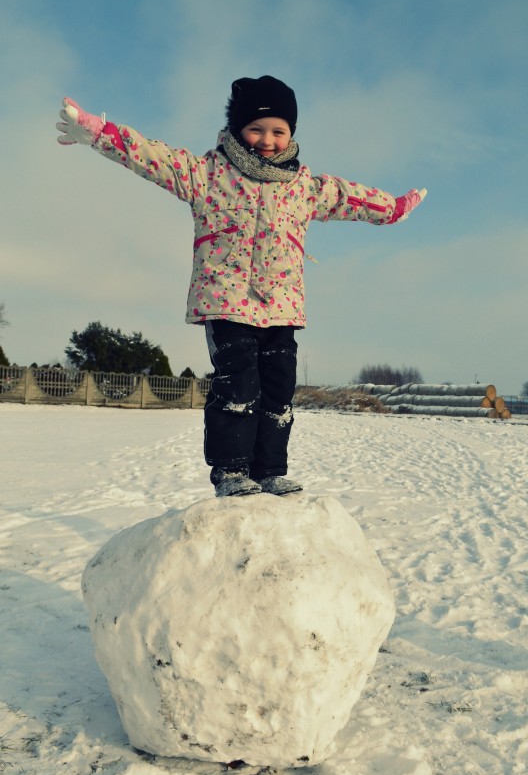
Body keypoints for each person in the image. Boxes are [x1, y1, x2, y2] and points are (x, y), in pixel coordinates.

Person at [57, 75, 427, 497]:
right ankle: (232, 471)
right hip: (226, 300)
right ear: (237, 129)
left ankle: (269, 469)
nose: (267, 139)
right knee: (238, 386)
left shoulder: (303, 186)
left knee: (278, 389)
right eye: (256, 128)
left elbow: (350, 197)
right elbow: (153, 158)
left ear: (291, 133)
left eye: (278, 130)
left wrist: (394, 208)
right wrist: (98, 132)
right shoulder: (209, 174)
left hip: (281, 306)